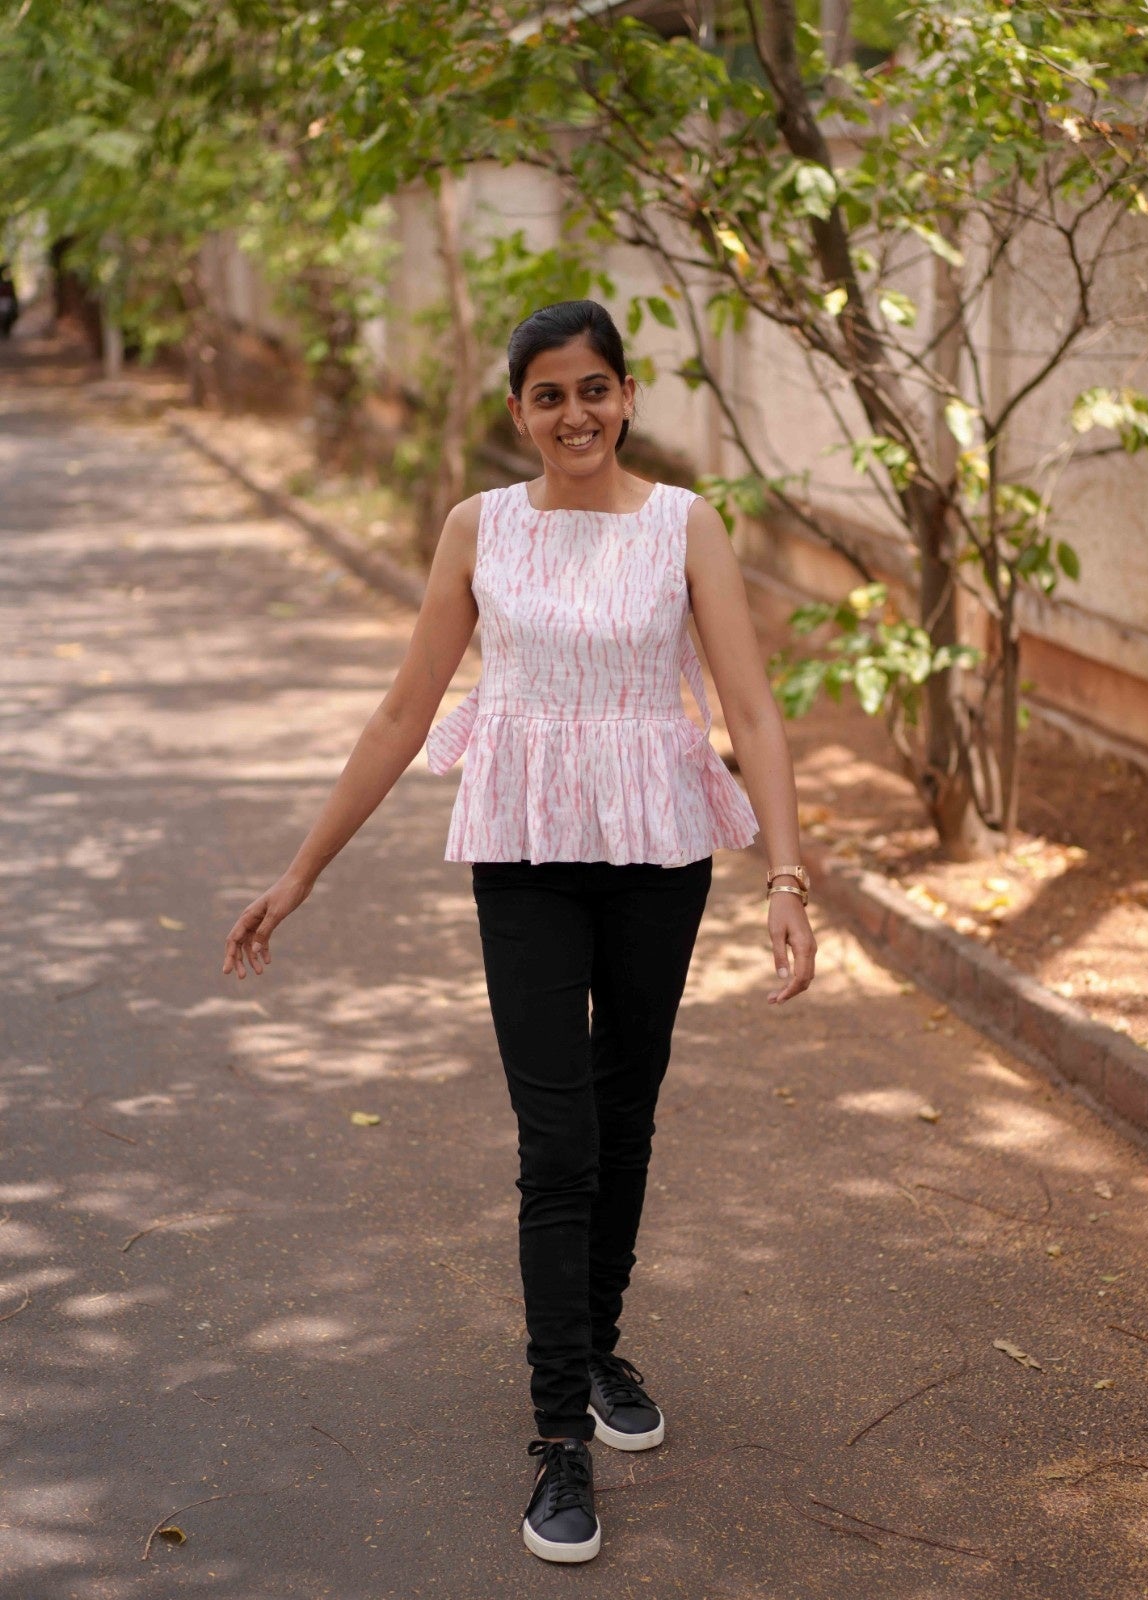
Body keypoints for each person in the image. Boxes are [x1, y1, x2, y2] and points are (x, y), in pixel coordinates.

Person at [222, 299, 818, 1564]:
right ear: (517, 411)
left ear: (627, 394)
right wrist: (302, 872)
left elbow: (752, 715)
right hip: (525, 860)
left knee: (626, 1110)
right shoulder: (477, 528)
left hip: (660, 857)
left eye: (594, 388)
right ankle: (557, 1438)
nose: (574, 415)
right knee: (556, 1142)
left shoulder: (683, 527)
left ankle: (596, 1341)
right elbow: (400, 713)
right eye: (548, 395)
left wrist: (785, 878)